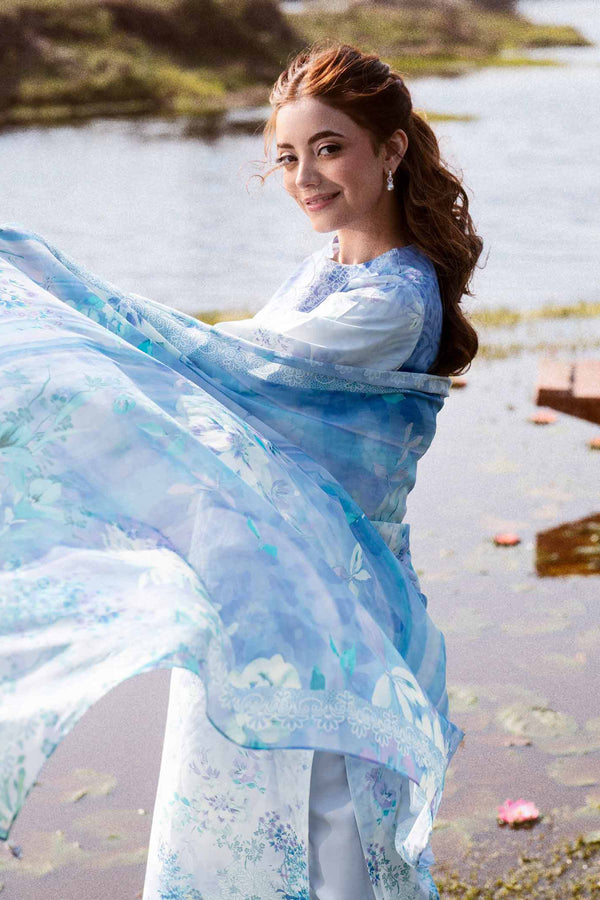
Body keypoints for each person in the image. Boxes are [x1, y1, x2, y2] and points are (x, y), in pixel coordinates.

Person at [0, 41, 481, 900]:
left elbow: (233, 372)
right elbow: (233, 382)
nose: (305, 178)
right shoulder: (329, 268)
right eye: (288, 157)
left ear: (392, 148)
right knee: (247, 812)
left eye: (328, 148)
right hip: (274, 581)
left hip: (339, 598)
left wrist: (65, 293)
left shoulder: (393, 299)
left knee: (330, 828)